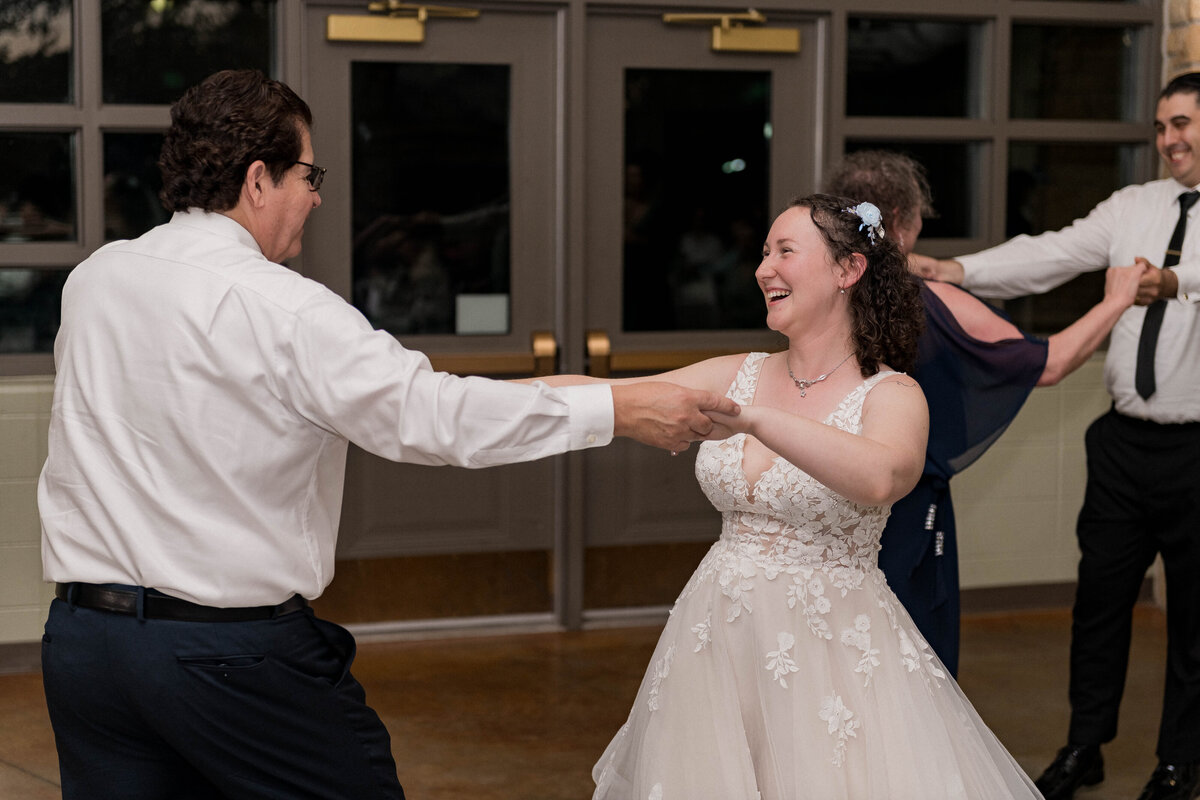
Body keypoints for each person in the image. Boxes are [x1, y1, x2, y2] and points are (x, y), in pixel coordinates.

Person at [36, 69, 738, 800]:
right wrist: (619, 414)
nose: (316, 195)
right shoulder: (287, 311)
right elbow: (435, 418)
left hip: (86, 648)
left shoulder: (97, 279)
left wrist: (617, 392)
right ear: (256, 180)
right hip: (227, 656)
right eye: (309, 174)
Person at [527, 194, 1044, 798]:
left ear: (848, 271)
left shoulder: (893, 394)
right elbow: (610, 393)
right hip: (718, 634)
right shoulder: (738, 371)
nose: (763, 268)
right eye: (764, 252)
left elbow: (883, 476)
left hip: (834, 651)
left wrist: (756, 421)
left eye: (785, 252)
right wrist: (466, 397)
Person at [911, 72, 1200, 800]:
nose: (1169, 140)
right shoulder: (1137, 205)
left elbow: (1183, 280)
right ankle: (1085, 745)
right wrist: (957, 270)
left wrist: (1174, 284)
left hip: (1199, 453)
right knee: (1098, 601)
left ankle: (1180, 762)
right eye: (1162, 126)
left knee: (1195, 617)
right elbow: (1054, 252)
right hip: (1122, 445)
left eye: (1184, 125)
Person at [824, 150, 1144, 677]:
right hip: (903, 507)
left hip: (832, 497)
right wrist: (1117, 300)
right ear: (903, 220)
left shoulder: (828, 297)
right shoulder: (926, 301)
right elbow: (1050, 362)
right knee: (908, 659)